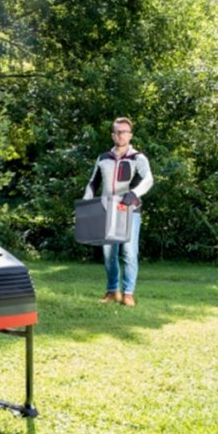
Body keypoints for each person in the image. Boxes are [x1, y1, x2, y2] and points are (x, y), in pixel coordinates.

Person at [82, 117, 153, 307]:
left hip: (130, 210)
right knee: (109, 254)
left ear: (130, 135)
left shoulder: (138, 158)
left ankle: (128, 293)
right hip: (107, 210)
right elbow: (93, 183)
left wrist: (134, 194)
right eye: (117, 132)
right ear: (113, 135)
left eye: (124, 132)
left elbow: (148, 180)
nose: (120, 135)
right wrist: (86, 204)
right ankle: (113, 291)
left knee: (129, 252)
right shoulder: (103, 158)